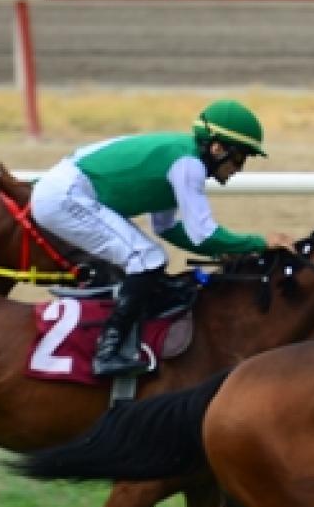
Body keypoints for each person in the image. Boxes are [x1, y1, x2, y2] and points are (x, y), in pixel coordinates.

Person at [31, 98, 287, 378]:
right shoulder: (189, 165)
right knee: (146, 258)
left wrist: (224, 250)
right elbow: (203, 234)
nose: (239, 168)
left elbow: (167, 227)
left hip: (66, 191)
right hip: (65, 196)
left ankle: (121, 324)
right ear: (217, 148)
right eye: (240, 158)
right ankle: (108, 351)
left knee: (149, 258)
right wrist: (259, 243)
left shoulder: (181, 157)